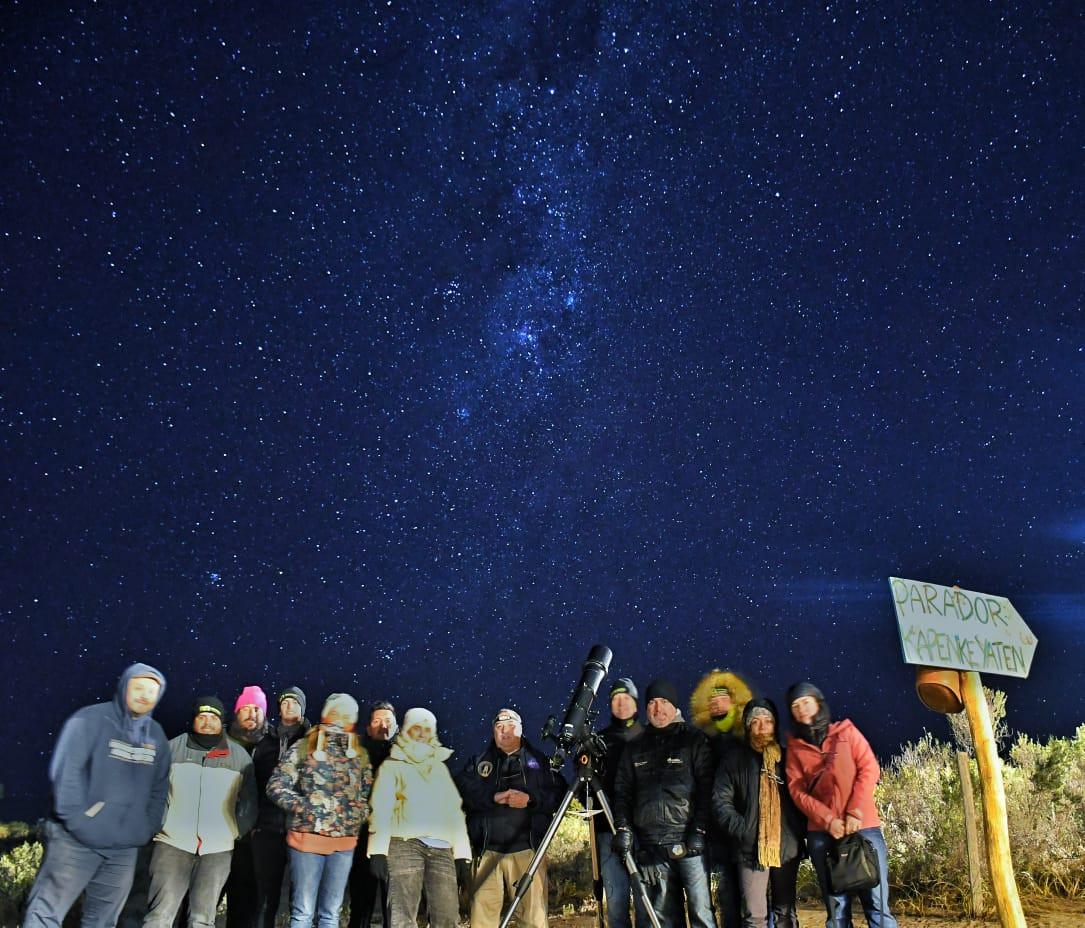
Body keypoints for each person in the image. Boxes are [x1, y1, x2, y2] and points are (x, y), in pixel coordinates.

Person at [23, 663, 170, 928]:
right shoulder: (89, 720)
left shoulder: (157, 736)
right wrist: (80, 822)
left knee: (102, 922)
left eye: (152, 691)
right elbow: (66, 774)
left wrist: (145, 828)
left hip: (124, 849)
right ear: (125, 686)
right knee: (46, 914)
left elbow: (159, 789)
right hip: (75, 842)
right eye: (138, 687)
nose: (144, 695)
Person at [785, 683, 898, 928]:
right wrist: (828, 820)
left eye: (805, 701)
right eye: (795, 705)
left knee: (877, 905)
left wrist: (854, 810)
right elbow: (797, 790)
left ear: (818, 702)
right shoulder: (794, 748)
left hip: (864, 828)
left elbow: (869, 769)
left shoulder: (846, 733)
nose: (801, 708)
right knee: (837, 910)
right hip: (822, 835)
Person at [143, 695, 258, 928]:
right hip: (172, 845)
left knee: (202, 920)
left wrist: (236, 831)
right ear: (193, 720)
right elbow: (155, 791)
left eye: (213, 717)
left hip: (217, 851)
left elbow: (249, 801)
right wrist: (159, 825)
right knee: (159, 916)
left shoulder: (238, 756)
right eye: (201, 716)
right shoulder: (172, 748)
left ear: (222, 721)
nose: (207, 722)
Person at [612, 680, 716, 928]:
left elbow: (707, 789)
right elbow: (622, 792)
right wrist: (624, 828)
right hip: (652, 846)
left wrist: (699, 831)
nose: (658, 709)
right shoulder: (635, 746)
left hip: (689, 844)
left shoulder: (694, 740)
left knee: (701, 913)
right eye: (652, 703)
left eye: (664, 702)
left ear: (675, 706)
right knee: (660, 918)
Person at [268, 694, 374, 928]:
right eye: (336, 712)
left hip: (344, 845)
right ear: (326, 714)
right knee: (303, 913)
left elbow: (365, 793)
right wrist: (304, 807)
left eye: (347, 714)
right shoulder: (305, 745)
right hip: (307, 841)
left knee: (331, 914)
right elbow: (276, 785)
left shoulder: (359, 754)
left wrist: (358, 814)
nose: (341, 718)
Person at [454, 708, 566, 928]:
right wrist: (492, 797)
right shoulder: (477, 763)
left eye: (510, 724)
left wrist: (530, 800)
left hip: (528, 853)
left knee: (533, 919)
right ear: (493, 732)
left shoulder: (541, 763)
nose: (504, 731)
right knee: (482, 920)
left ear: (521, 729)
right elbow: (460, 792)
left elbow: (558, 796)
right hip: (487, 853)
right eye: (499, 726)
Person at [367, 707, 471, 928]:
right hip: (404, 844)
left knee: (447, 916)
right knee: (403, 916)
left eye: (427, 729)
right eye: (416, 728)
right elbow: (382, 808)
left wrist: (463, 854)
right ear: (406, 730)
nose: (422, 733)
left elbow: (454, 812)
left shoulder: (440, 770)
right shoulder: (392, 766)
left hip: (441, 846)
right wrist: (377, 850)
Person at [712, 699, 805, 928]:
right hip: (749, 851)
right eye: (755, 721)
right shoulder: (734, 760)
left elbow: (802, 797)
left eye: (768, 721)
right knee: (754, 917)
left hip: (786, 849)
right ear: (747, 725)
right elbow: (720, 801)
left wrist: (797, 832)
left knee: (785, 914)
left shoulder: (787, 758)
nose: (762, 727)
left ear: (775, 725)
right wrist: (743, 830)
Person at [690, 670, 753, 928]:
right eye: (712, 698)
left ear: (733, 700)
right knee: (727, 893)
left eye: (722, 697)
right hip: (716, 830)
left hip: (747, 827)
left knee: (753, 897)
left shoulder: (746, 736)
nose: (716, 702)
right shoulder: (701, 740)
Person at [252, 686, 312, 928]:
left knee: (302, 897)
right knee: (265, 897)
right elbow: (254, 782)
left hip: (301, 828)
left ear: (303, 708)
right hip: (268, 827)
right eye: (284, 702)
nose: (288, 706)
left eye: (294, 703)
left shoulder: (314, 739)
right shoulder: (266, 740)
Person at [594, 678, 649, 928]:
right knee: (616, 904)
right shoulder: (599, 741)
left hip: (644, 831)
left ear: (636, 702)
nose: (621, 703)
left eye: (626, 698)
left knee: (645, 900)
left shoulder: (649, 737)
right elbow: (586, 790)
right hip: (608, 829)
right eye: (615, 699)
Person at [347, 700, 398, 928]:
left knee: (395, 910)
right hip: (361, 840)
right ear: (368, 728)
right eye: (377, 721)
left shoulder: (406, 757)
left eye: (388, 721)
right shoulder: (355, 756)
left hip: (396, 840)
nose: (383, 726)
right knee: (360, 907)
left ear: (396, 727)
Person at [224, 685, 270, 928]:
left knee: (247, 906)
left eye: (257, 709)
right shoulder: (220, 742)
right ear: (236, 712)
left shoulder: (271, 746)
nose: (252, 713)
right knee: (201, 901)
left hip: (252, 839)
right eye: (246, 708)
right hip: (217, 833)